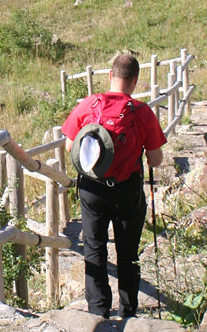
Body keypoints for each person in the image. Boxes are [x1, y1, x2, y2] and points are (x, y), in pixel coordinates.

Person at [61, 54, 166, 319]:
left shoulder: (89, 104)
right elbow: (155, 159)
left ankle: (98, 311)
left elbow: (70, 147)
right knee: (127, 252)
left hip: (92, 189)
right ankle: (129, 310)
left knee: (94, 247)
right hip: (126, 191)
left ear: (110, 75)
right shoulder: (141, 112)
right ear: (135, 80)